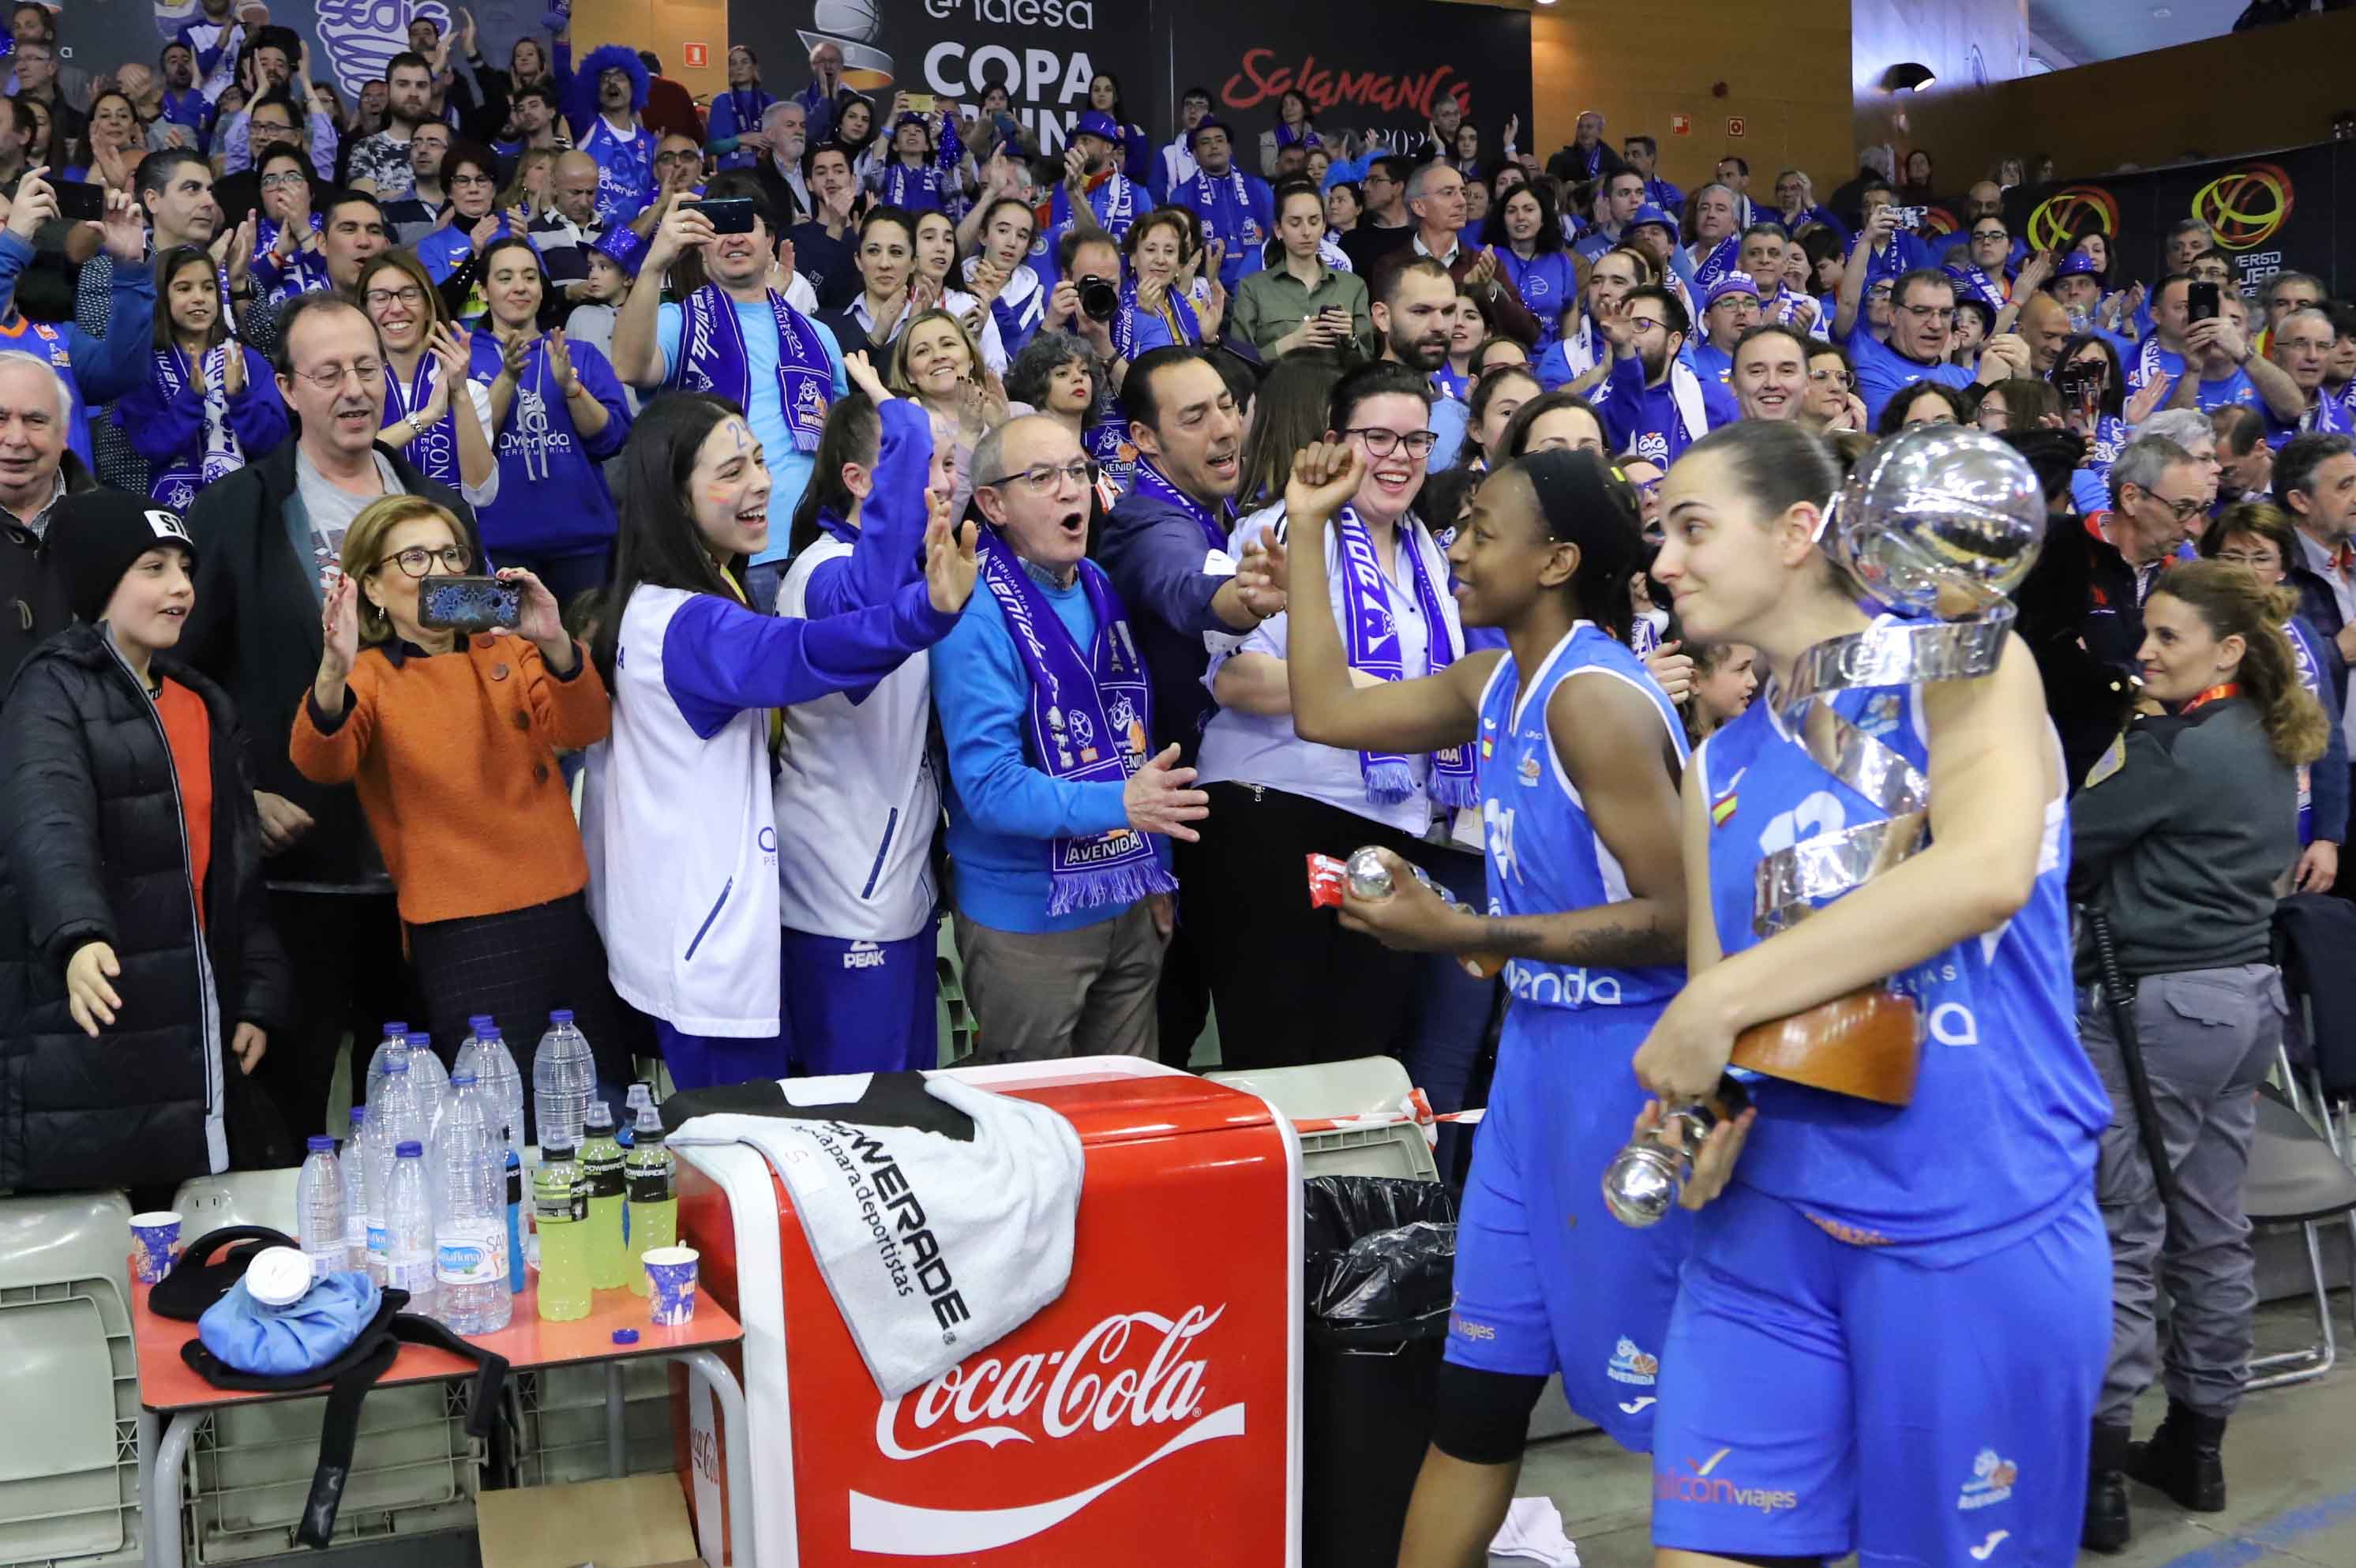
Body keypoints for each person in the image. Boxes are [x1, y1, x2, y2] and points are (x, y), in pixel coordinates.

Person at [1630, 417, 2110, 1564]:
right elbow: (1722, 1004)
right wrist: (1698, 1112)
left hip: (1967, 1214)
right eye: (1661, 536)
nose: (1664, 562)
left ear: (1802, 530)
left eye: (1694, 528)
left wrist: (1708, 1007)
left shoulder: (1966, 655)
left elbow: (1986, 872)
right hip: (1762, 1231)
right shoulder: (1714, 765)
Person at [1274, 426, 1690, 1559]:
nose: (1455, 548)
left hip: (1629, 1075)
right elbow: (1323, 711)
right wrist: (1310, 530)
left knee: (1684, 1421)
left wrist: (1471, 928)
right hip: (1539, 1071)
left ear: (1556, 560)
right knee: (1476, 1398)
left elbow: (1683, 917)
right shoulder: (1496, 675)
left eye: (1479, 530)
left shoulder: (1592, 700)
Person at [581, 393, 973, 1088]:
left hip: (698, 935)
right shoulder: (686, 623)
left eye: (760, 460)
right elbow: (811, 654)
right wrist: (927, 611)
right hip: (707, 952)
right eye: (731, 472)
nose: (760, 481)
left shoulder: (683, 595)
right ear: (675, 499)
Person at [182, 293, 483, 1138]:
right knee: (294, 1111)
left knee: (426, 1117)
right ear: (286, 389)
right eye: (328, 374)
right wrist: (238, 788)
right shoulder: (240, 512)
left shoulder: (435, 509)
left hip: (425, 863)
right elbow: (183, 677)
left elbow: (467, 643)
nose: (354, 389)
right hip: (299, 868)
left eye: (366, 368)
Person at [2072, 559, 2326, 1550]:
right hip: (2240, 1002)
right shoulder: (2266, 732)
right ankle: (2197, 1442)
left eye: (2165, 637)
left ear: (2225, 648)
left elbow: (2063, 838)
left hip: (2156, 1004)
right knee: (2212, 1226)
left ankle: (2096, 1473)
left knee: (2120, 1229)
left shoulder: (2175, 750)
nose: (2143, 651)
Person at [291, 493, 625, 1107]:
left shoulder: (510, 648)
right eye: (415, 558)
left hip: (557, 903)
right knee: (504, 1116)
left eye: (451, 554)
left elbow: (583, 728)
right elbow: (322, 762)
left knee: (597, 1098)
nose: (440, 570)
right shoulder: (367, 675)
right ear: (372, 586)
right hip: (462, 927)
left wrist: (553, 642)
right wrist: (332, 672)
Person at [1188, 360, 1478, 1065]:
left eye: (1417, 441)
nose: (1400, 458)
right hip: (1277, 815)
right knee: (1286, 1063)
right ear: (1333, 442)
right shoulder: (1285, 527)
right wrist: (1377, 695)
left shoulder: (1427, 554)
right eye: (1378, 437)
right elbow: (1239, 680)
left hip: (1390, 832)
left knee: (1363, 1065)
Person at [0, 493, 287, 1192]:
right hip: (96, 1014)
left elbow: (235, 873)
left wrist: (255, 995)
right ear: (102, 583)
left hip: (195, 1024)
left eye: (184, 567)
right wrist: (77, 935)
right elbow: (47, 822)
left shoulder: (201, 702)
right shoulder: (50, 689)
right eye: (153, 568)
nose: (180, 587)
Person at [936, 411, 1209, 1063]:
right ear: (993, 503)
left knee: (1123, 1118)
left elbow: (1133, 746)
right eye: (1043, 477)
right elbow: (990, 789)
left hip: (1127, 898)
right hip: (1028, 921)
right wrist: (1123, 807)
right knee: (1035, 1130)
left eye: (1078, 472)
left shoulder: (1099, 586)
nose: (1070, 490)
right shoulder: (976, 611)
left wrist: (1152, 877)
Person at [772, 387, 956, 1074]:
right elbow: (864, 612)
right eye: (920, 464)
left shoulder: (917, 572)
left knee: (915, 1117)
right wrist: (900, 414)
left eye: (946, 464)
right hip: (842, 896)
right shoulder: (823, 573)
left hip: (900, 890)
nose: (942, 482)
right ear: (859, 481)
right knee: (860, 1128)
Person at [613, 182, 850, 612]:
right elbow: (628, 367)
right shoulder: (677, 320)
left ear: (771, 240)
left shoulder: (818, 335)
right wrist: (653, 265)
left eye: (745, 223)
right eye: (718, 226)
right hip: (721, 552)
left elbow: (843, 444)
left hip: (817, 547)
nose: (734, 237)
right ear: (701, 246)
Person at [467, 235, 632, 601]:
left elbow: (610, 439)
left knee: (589, 655)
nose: (519, 287)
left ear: (542, 288)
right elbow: (471, 447)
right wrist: (507, 378)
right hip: (499, 545)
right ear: (483, 289)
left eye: (529, 276)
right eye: (505, 277)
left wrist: (570, 387)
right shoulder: (464, 356)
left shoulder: (579, 354)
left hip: (584, 543)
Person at [2201, 503, 2346, 890]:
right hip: (2213, 832)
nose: (2246, 570)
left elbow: (2326, 734)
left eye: (2261, 558)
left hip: (2292, 834)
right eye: (2232, 557)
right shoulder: (2190, 631)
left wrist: (2327, 836)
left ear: (2282, 570)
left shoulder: (2302, 632)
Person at [0, 168, 156, 467]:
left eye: (15, 221)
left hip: (67, 509)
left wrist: (131, 272)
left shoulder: (55, 336)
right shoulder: (12, 246)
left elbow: (124, 372)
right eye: (4, 223)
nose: (17, 229)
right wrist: (12, 242)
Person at [116, 243, 289, 512]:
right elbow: (149, 444)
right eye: (184, 288)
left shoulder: (247, 361)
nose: (199, 298)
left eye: (208, 288)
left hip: (246, 507)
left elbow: (276, 443)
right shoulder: (142, 366)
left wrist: (240, 398)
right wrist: (190, 399)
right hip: (174, 509)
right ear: (162, 296)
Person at [357, 251, 497, 511]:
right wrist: (428, 416)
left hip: (450, 544)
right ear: (363, 310)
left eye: (409, 294)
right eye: (380, 297)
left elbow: (482, 494)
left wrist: (461, 394)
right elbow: (348, 463)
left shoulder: (471, 391)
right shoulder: (353, 390)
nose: (396, 308)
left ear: (427, 306)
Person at [1401, 163, 1540, 347]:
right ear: (1419, 207)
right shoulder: (1394, 265)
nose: (1462, 202)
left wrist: (1488, 289)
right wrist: (1465, 290)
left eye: (1463, 193)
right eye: (1448, 193)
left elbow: (1528, 332)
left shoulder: (1482, 262)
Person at [1595, 283, 1735, 464]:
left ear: (1673, 342)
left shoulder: (1714, 400)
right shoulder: (1594, 402)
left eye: (1642, 324)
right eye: (1622, 324)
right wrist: (1624, 354)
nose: (1627, 335)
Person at [551, 36, 654, 230]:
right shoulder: (587, 124)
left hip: (636, 241)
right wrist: (561, 35)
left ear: (634, 87)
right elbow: (564, 76)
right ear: (595, 89)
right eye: (605, 78)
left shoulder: (649, 142)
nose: (612, 83)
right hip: (591, 237)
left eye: (620, 77)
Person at [1172, 118, 1270, 298]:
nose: (1214, 146)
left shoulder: (1259, 188)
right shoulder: (1181, 196)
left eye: (1219, 140)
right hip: (1204, 291)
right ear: (1194, 153)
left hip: (1258, 291)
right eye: (1205, 142)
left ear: (1230, 148)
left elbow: (1272, 238)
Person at [1484, 180, 1577, 357]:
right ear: (1503, 220)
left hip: (1550, 361)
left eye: (1529, 209)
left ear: (1543, 219)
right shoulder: (1489, 257)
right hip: (1502, 358)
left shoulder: (1561, 262)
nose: (1520, 217)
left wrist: (1566, 358)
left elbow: (1570, 310)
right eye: (1512, 211)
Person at [1114, 207, 1219, 358]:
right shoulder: (1115, 311)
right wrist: (1147, 318)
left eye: (1169, 251)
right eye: (1151, 250)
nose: (1161, 260)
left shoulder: (1196, 310)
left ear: (1179, 263)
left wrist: (1209, 341)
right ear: (1133, 258)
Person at [345, 53, 434, 200]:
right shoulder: (366, 148)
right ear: (387, 91)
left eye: (421, 85)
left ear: (431, 90)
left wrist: (387, 196)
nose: (413, 93)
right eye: (403, 84)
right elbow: (364, 209)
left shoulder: (449, 144)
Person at [1340, 154, 1416, 279]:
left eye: (1374, 180)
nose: (1365, 188)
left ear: (1398, 187)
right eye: (1365, 182)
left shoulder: (1422, 237)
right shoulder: (1351, 241)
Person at [705, 44, 774, 174]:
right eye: (733, 63)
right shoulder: (721, 102)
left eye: (744, 62)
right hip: (731, 176)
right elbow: (711, 147)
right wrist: (741, 139)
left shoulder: (770, 101)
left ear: (754, 67)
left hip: (765, 172)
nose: (739, 67)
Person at [1690, 272, 1761, 388]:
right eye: (1729, 304)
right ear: (1707, 320)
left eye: (1750, 303)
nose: (1742, 311)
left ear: (1761, 316)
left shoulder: (1777, 363)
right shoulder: (1690, 368)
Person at [1730, 321, 1810, 423]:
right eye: (1757, 371)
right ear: (1733, 385)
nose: (1772, 383)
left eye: (1786, 371)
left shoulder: (1825, 439)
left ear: (1807, 382)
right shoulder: (1713, 440)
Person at [1625, 133, 1683, 216]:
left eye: (1636, 154)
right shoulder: (1619, 190)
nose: (1629, 159)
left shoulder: (1668, 191)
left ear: (1651, 157)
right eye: (1626, 155)